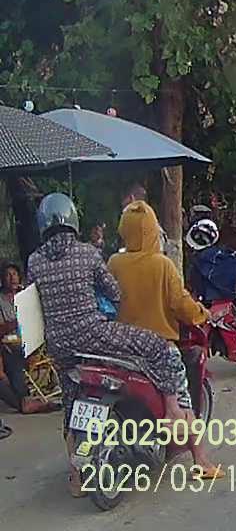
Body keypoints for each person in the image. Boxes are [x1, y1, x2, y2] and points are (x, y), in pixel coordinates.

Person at [25, 193, 191, 497]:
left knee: (71, 406)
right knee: (157, 346)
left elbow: (32, 302)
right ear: (73, 221)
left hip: (60, 346)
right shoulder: (88, 253)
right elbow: (114, 293)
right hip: (95, 335)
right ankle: (172, 408)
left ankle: (77, 479)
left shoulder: (34, 261)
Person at [109, 200, 222, 478]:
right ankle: (201, 462)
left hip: (121, 349)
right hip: (159, 350)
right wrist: (202, 313)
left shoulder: (114, 263)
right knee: (183, 403)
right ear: (152, 231)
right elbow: (180, 304)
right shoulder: (162, 265)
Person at [0, 262, 58, 414]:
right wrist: (17, 320)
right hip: (11, 345)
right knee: (12, 358)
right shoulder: (1, 300)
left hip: (35, 342)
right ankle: (24, 399)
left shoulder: (26, 296)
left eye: (14, 274)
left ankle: (25, 400)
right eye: (8, 275)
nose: (12, 278)